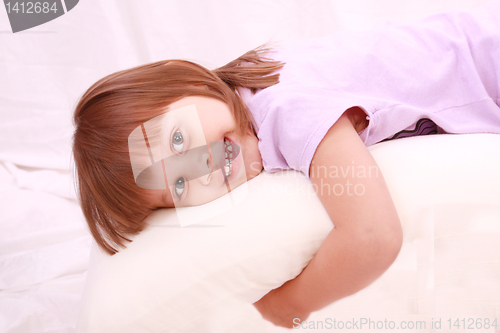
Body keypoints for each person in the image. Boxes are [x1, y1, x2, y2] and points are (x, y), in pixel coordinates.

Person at [72, 1, 500, 328]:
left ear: (185, 79)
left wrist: (291, 305)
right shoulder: (251, 99)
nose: (199, 163)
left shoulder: (285, 109)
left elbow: (373, 236)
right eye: (180, 184)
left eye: (177, 137)